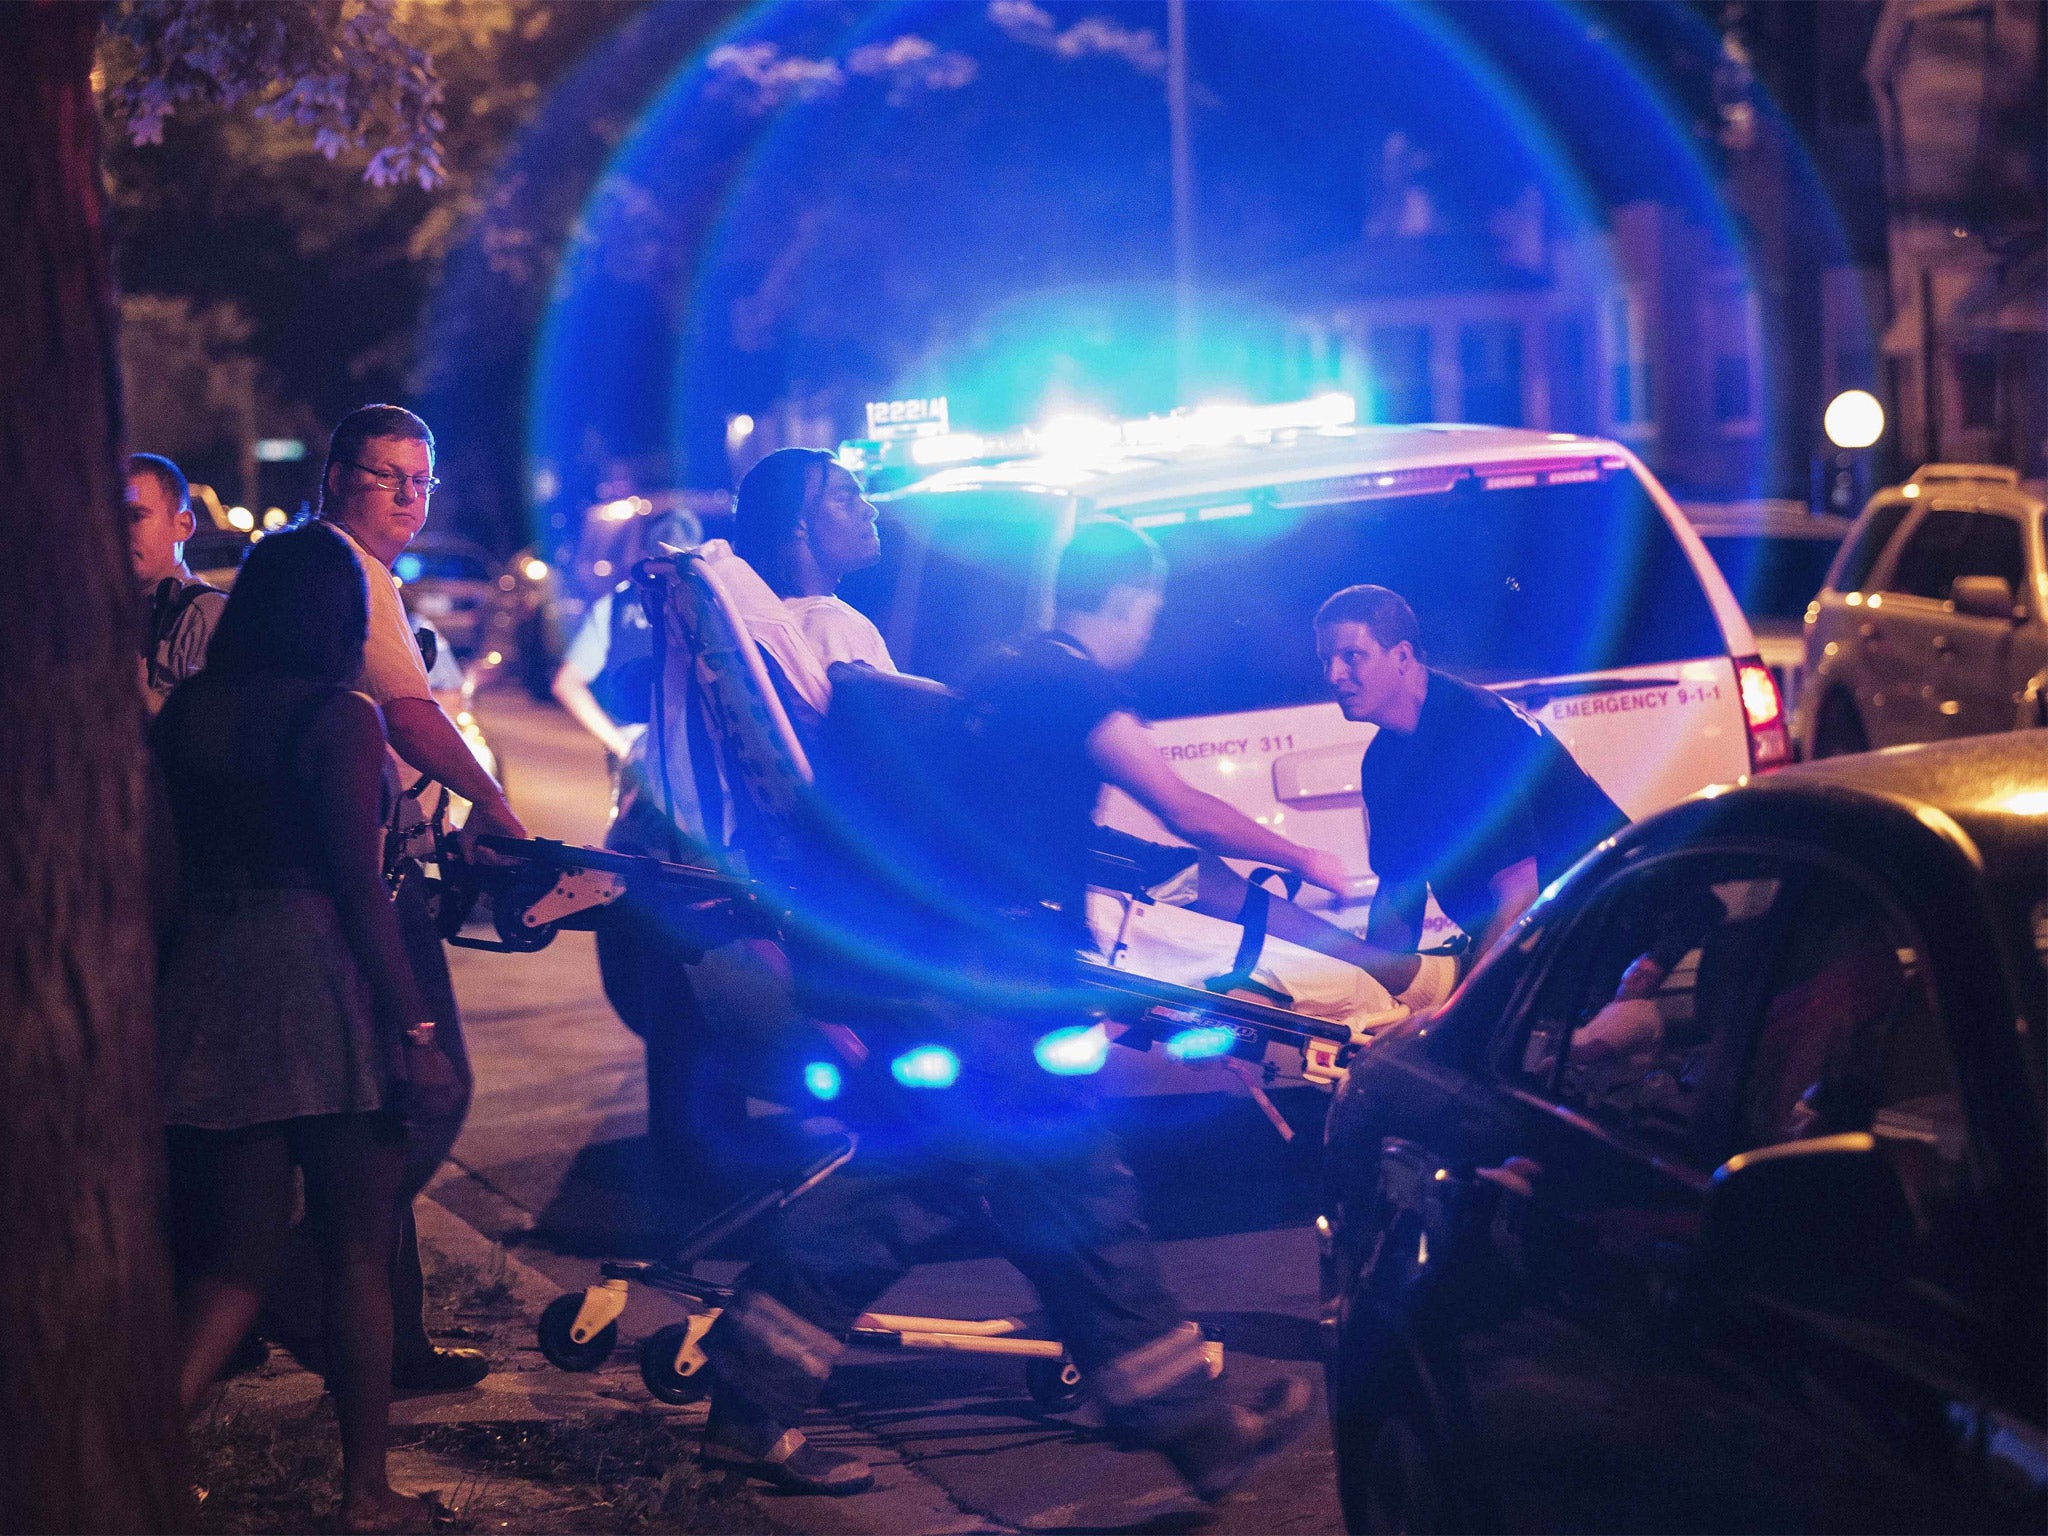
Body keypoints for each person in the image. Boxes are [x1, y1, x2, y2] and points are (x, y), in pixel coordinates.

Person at [693, 521, 1336, 1501]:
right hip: (995, 1002)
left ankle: (748, 1409)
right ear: (1128, 600)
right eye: (1146, 612)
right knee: (1072, 1195)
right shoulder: (1070, 682)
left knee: (922, 1190)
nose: (1145, 631)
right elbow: (1183, 807)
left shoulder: (994, 674)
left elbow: (1004, 817)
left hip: (945, 985)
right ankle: (1195, 1433)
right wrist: (1308, 860)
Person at [153, 522, 462, 1533]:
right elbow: (356, 889)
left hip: (207, 975)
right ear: (337, 617)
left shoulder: (192, 711)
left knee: (232, 1264)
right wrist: (412, 1027)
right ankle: (365, 1492)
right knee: (357, 1252)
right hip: (316, 981)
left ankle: (127, 1454)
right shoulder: (338, 718)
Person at [308, 403, 526, 1392]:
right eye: (387, 474)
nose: (407, 496)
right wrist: (491, 802)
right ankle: (298, 1276)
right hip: (360, 885)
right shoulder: (342, 576)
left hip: (375, 866)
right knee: (428, 1094)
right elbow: (407, 714)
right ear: (337, 474)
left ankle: (393, 1338)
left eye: (420, 478)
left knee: (391, 1106)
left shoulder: (358, 579)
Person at [1316, 584, 1627, 994]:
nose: (1334, 675)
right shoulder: (1382, 761)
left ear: (1403, 657)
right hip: (1537, 944)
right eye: (1326, 660)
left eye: (1351, 656)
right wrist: (1374, 992)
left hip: (1608, 938)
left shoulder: (1474, 727)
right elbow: (1398, 898)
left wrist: (1459, 1014)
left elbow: (1519, 894)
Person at [129, 452, 226, 714]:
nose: (120, 530)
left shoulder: (205, 617)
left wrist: (140, 696)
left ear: (183, 525)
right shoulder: (103, 613)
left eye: (136, 516)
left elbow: (210, 732)